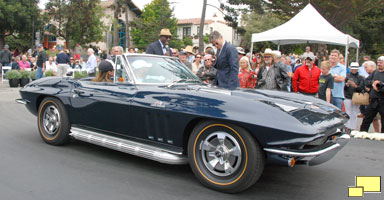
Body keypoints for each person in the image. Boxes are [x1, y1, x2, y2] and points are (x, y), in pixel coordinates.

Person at [360, 56, 384, 133]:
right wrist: (373, 83)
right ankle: (362, 133)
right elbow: (366, 81)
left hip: (383, 100)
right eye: (378, 62)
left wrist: (379, 87)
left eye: (381, 62)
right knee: (366, 119)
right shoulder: (375, 72)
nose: (379, 64)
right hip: (373, 100)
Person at [344, 62, 364, 133]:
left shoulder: (360, 78)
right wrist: (347, 84)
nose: (354, 70)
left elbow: (361, 88)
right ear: (350, 69)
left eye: (355, 69)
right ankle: (348, 127)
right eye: (353, 69)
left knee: (354, 113)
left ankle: (353, 127)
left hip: (356, 97)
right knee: (348, 112)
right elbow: (344, 88)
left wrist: (355, 85)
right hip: (348, 96)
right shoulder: (347, 76)